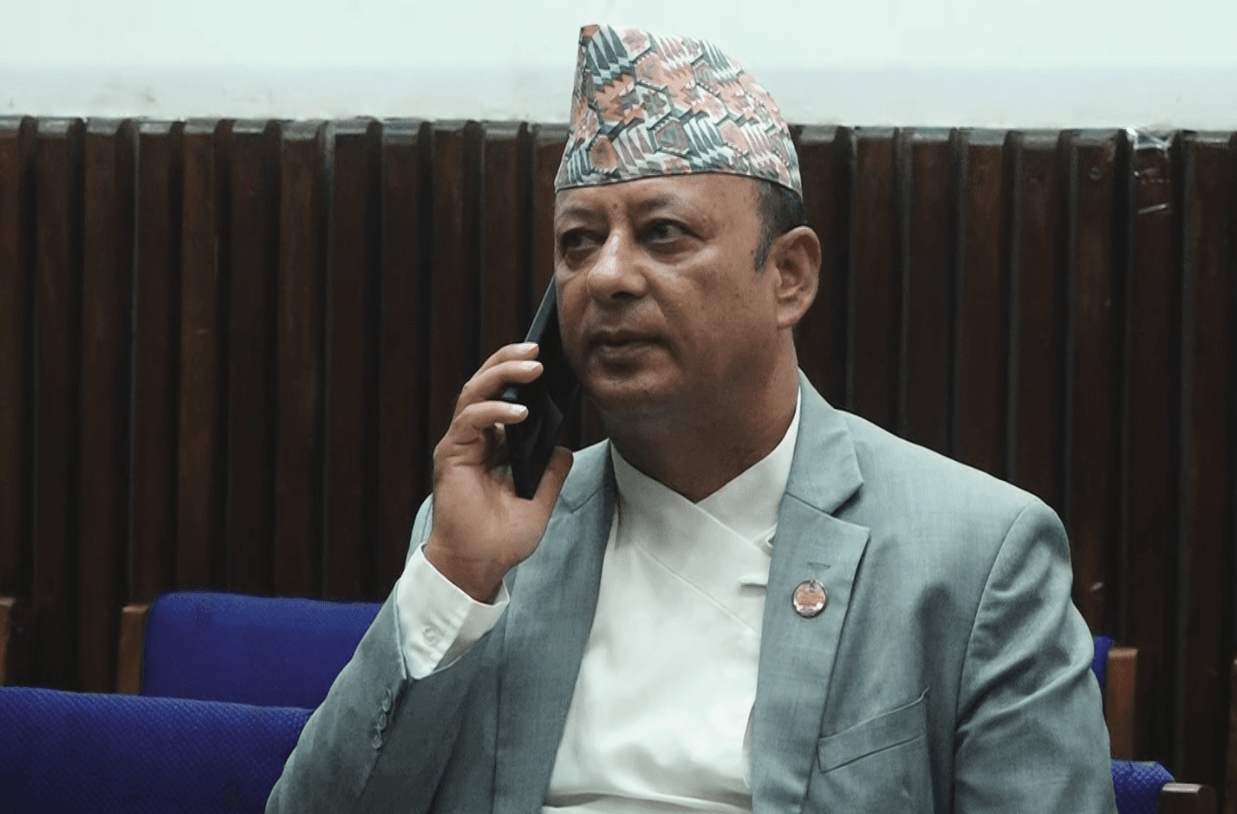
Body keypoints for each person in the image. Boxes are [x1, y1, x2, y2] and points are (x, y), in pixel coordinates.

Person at [268, 23, 1116, 813]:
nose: (607, 277)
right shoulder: (490, 537)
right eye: (577, 243)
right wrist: (456, 573)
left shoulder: (975, 554)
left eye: (663, 233)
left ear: (788, 276)